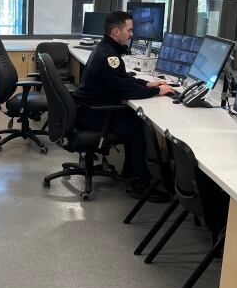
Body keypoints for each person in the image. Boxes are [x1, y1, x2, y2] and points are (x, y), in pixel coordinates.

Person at [74, 11, 175, 195]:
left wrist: (148, 83)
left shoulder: (104, 49)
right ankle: (140, 184)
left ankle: (131, 172)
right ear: (115, 32)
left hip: (87, 110)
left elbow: (123, 79)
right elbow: (127, 90)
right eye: (129, 30)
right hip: (94, 115)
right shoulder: (109, 57)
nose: (132, 34)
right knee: (139, 127)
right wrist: (158, 91)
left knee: (134, 119)